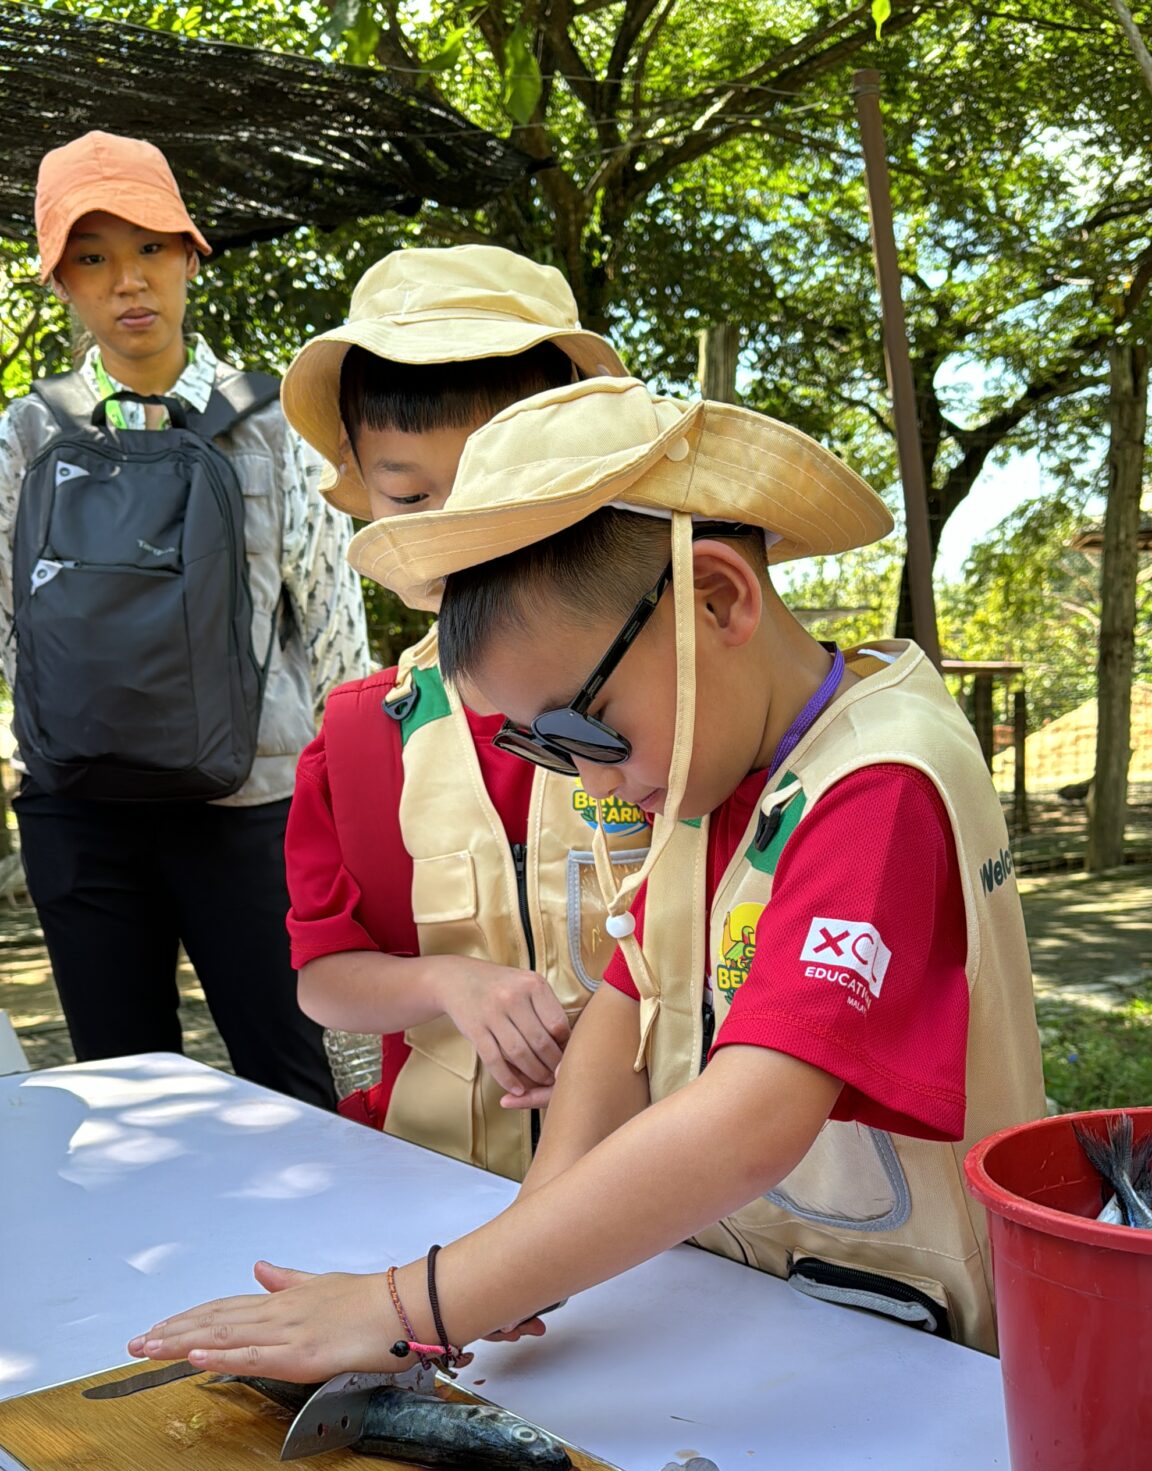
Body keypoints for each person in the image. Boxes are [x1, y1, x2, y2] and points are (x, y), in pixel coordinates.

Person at [126, 376, 1046, 1379]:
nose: (591, 778)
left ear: (716, 598)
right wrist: (535, 1233)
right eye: (543, 747)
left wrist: (419, 1300)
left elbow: (753, 1117)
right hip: (773, 1314)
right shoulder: (719, 770)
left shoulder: (879, 780)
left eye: (582, 728)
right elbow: (629, 990)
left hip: (919, 1357)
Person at [0, 131, 370, 1107]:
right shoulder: (21, 434)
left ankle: (320, 1268)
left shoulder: (276, 422)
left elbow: (332, 629)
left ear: (192, 255)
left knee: (298, 1090)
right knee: (124, 1099)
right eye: (92, 256)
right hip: (80, 814)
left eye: (150, 247)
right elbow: (13, 627)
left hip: (250, 813)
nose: (127, 280)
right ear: (60, 283)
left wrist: (352, 807)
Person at [278, 248, 649, 1178]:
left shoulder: (678, 714)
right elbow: (325, 976)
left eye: (500, 489)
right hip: (431, 1178)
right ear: (361, 490)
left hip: (664, 1198)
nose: (458, 536)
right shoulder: (362, 735)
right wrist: (447, 980)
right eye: (411, 496)